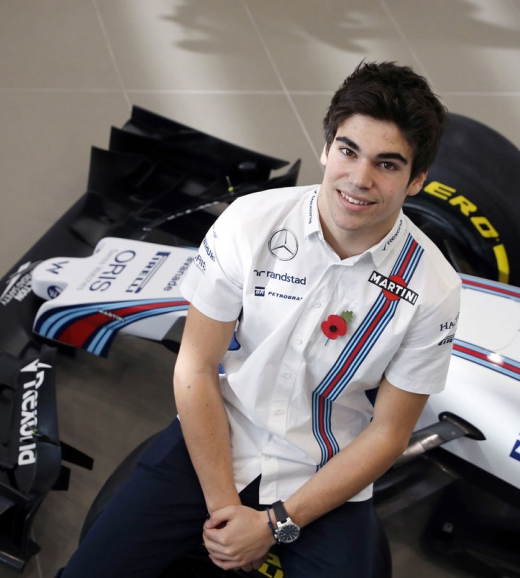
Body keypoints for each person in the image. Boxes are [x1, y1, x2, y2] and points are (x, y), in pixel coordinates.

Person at [59, 61, 461, 578]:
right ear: (326, 147)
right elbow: (195, 367)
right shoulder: (249, 224)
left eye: (387, 164)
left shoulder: (434, 290)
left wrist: (273, 526)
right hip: (217, 437)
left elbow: (387, 434)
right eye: (348, 150)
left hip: (325, 472)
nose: (358, 179)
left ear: (417, 180)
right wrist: (227, 509)